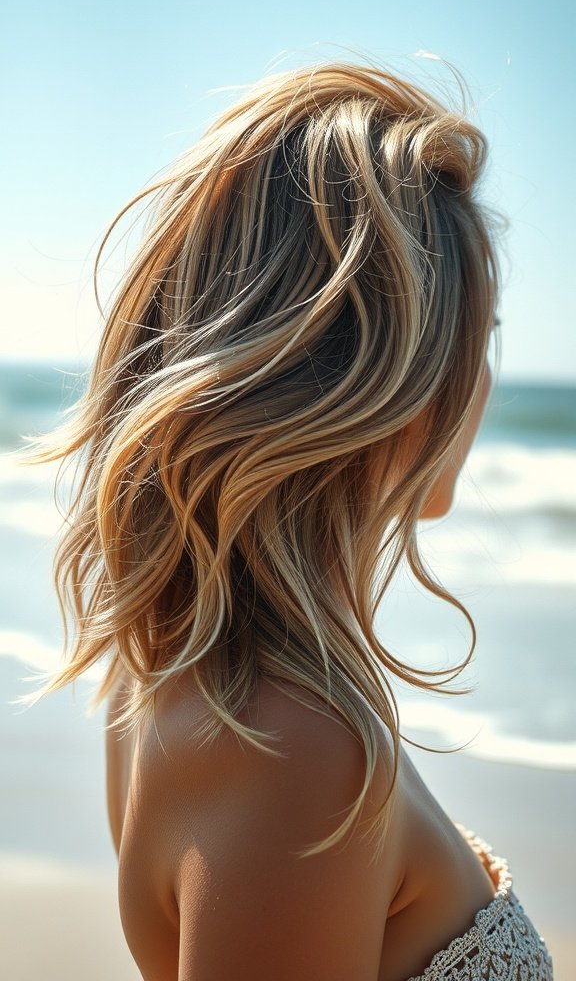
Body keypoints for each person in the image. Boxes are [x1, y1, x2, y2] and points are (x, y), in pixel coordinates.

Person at [24, 60, 553, 980]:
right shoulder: (294, 750)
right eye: (481, 339)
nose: (483, 384)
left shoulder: (163, 678)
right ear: (396, 385)